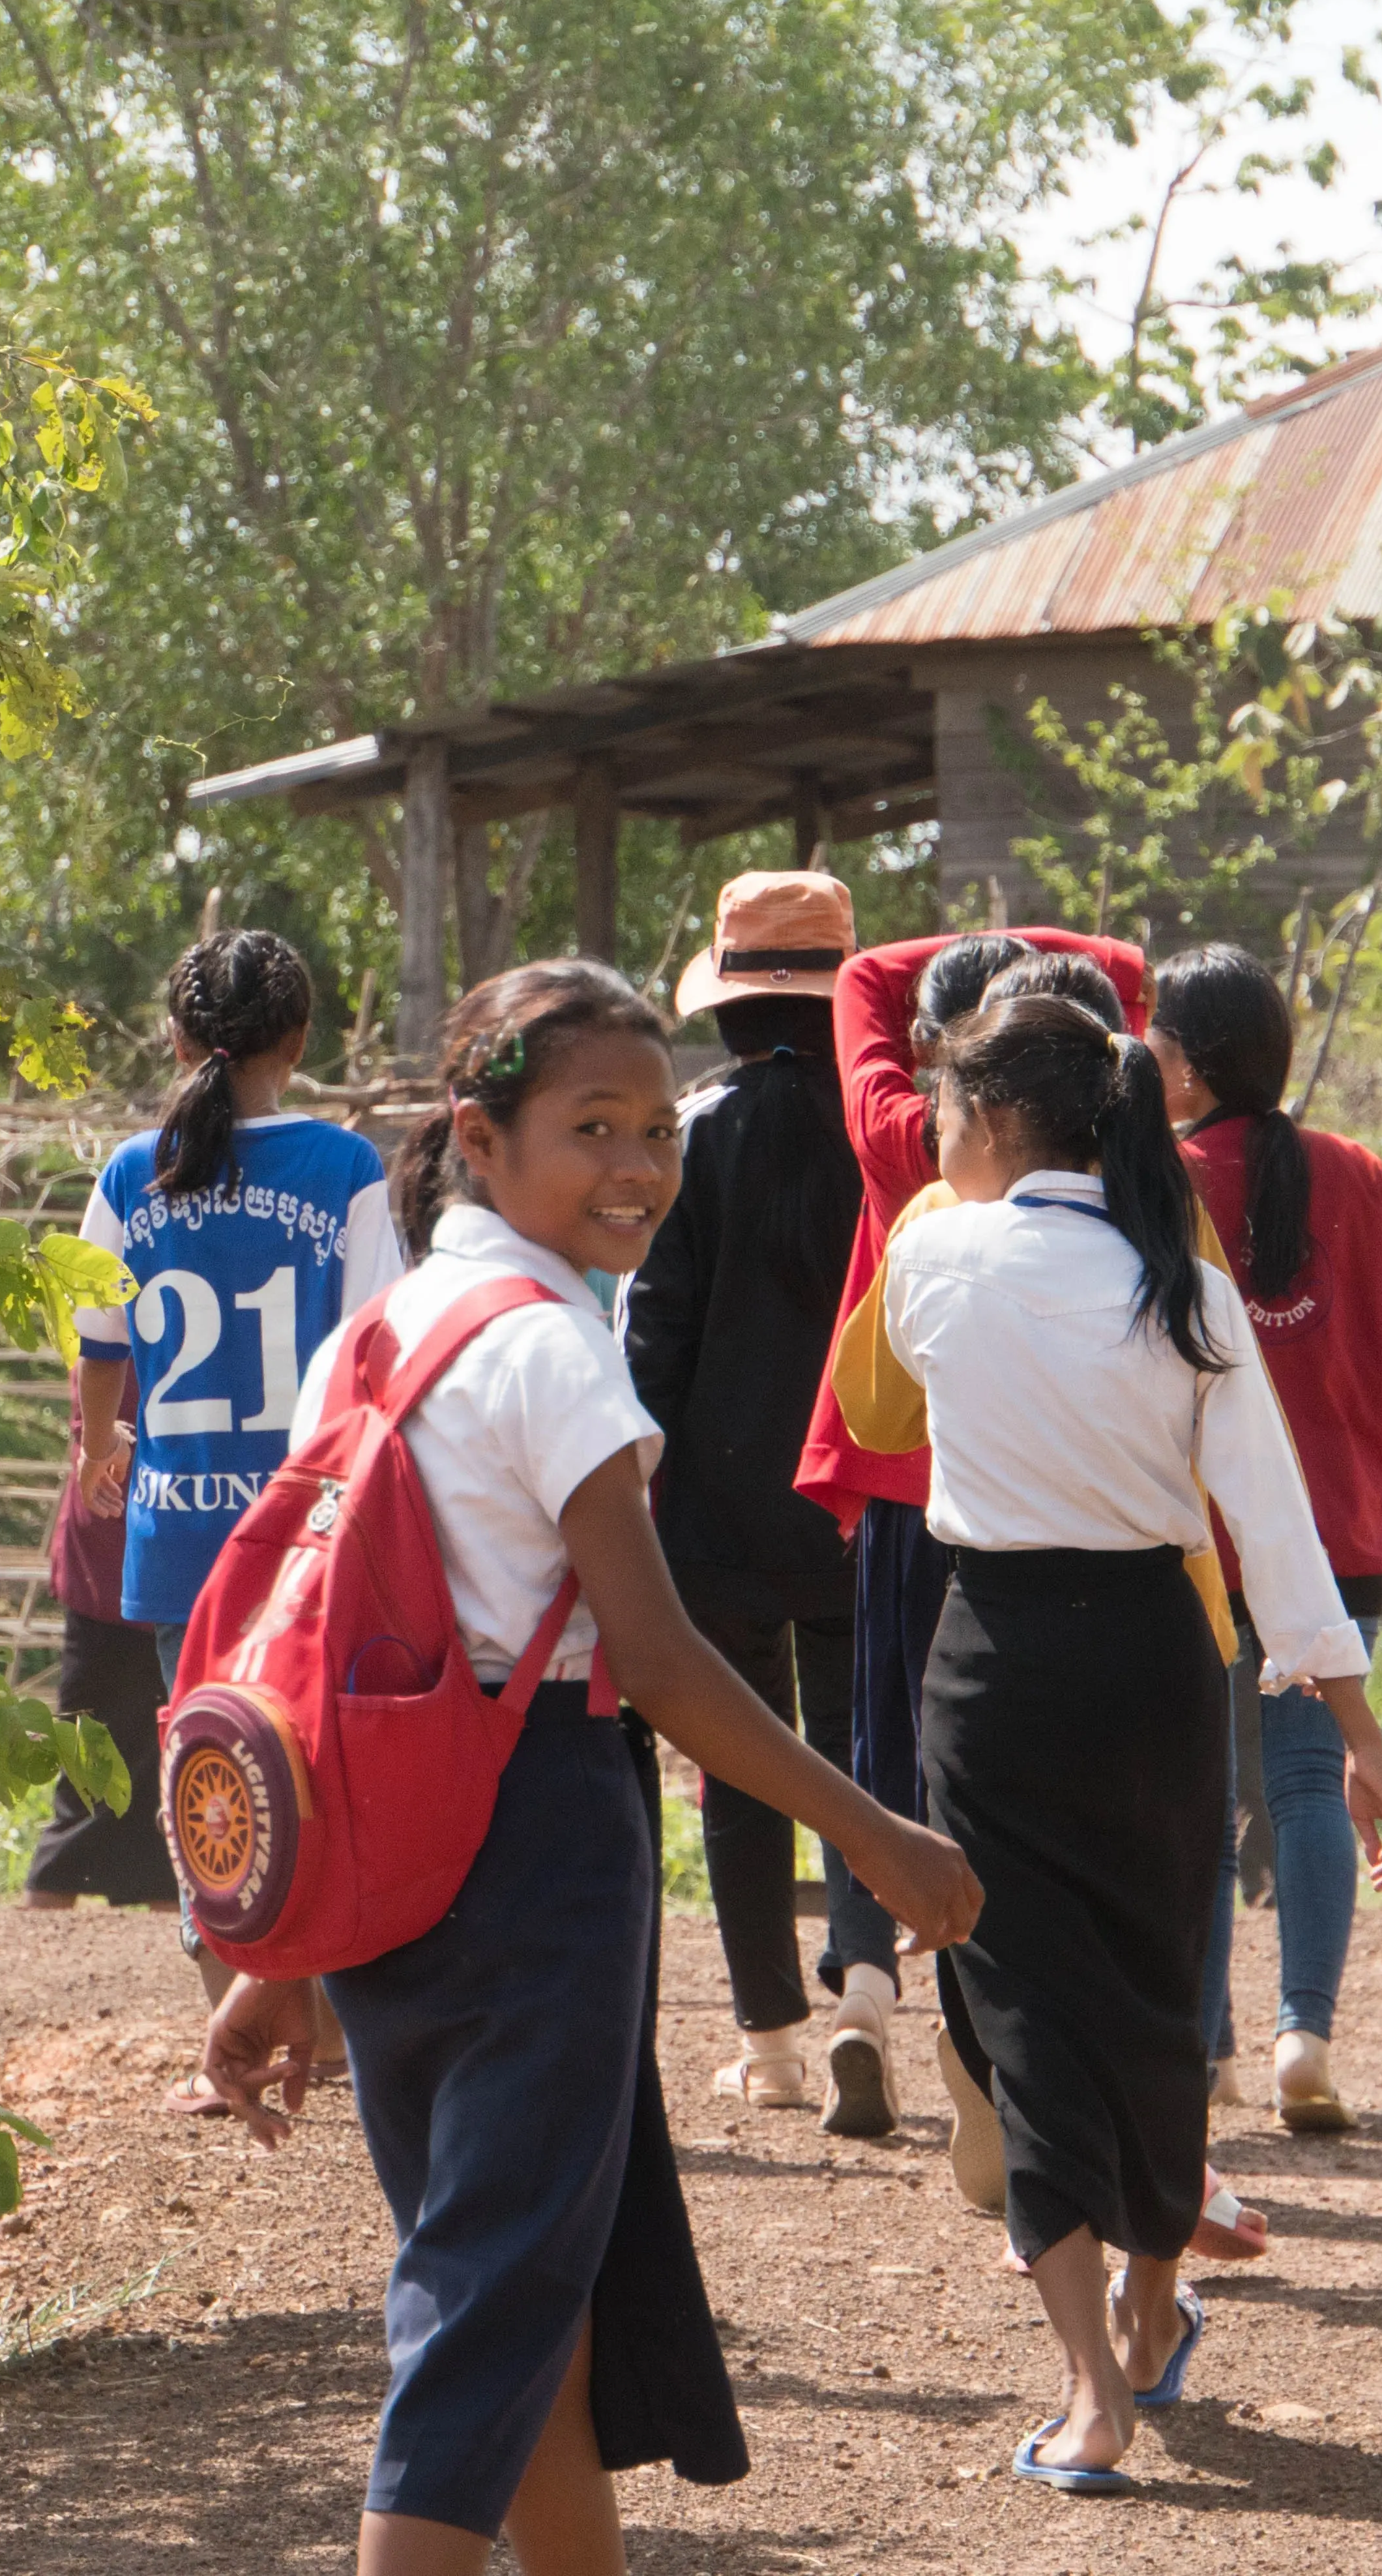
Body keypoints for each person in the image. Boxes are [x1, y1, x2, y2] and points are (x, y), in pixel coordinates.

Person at [200, 959, 980, 2576]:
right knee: (490, 2293)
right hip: (536, 1840)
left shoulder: (388, 1327)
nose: (635, 1165)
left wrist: (291, 1944)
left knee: (523, 2275)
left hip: (395, 1844)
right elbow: (669, 1661)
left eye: (650, 1128)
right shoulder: (553, 1348)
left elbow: (316, 1637)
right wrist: (877, 1839)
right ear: (479, 1141)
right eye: (589, 1127)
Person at [874, 990, 1382, 2494]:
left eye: (947, 1107)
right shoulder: (1183, 1284)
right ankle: (1152, 2296)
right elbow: (1277, 1523)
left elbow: (894, 1365)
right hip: (1162, 1667)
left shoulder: (934, 1256)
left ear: (983, 1119)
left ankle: (1093, 2393)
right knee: (1156, 1986)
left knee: (1019, 2011)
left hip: (993, 1665)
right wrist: (1357, 1730)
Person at [795, 921, 1141, 2193]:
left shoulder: (906, 1142)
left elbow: (859, 978)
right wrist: (1023, 959)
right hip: (1060, 1510)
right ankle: (1045, 2050)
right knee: (1033, 1787)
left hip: (910, 1492)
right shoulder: (1107, 1172)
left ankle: (881, 1990)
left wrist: (951, 953)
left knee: (906, 1761)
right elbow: (1124, 970)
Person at [1148, 945, 1382, 2133]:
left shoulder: (1157, 1178)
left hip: (1193, 1545)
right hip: (1344, 1535)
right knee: (1308, 1781)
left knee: (1205, 1797)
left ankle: (1211, 2051)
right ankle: (1306, 2040)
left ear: (1183, 1064)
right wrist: (1380, 1471)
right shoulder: (1360, 1176)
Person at [626, 870, 896, 2131]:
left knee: (741, 1761)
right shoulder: (888, 1135)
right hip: (860, 1488)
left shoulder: (690, 1137)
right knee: (861, 1747)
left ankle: (773, 2038)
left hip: (715, 1506)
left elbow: (656, 1337)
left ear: (729, 1010)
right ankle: (870, 1999)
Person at [76, 928, 406, 1684]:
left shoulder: (132, 1173)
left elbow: (100, 1346)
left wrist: (100, 1446)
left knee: (208, 1782)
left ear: (177, 1041)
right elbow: (374, 1352)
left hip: (180, 1547)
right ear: (298, 1041)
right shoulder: (345, 1166)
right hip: (307, 1538)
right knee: (302, 1779)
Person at [22, 1458, 178, 1910]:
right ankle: (39, 1962)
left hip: (178, 1558)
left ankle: (161, 1966)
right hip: (113, 1562)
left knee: (174, 1787)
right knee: (88, 1782)